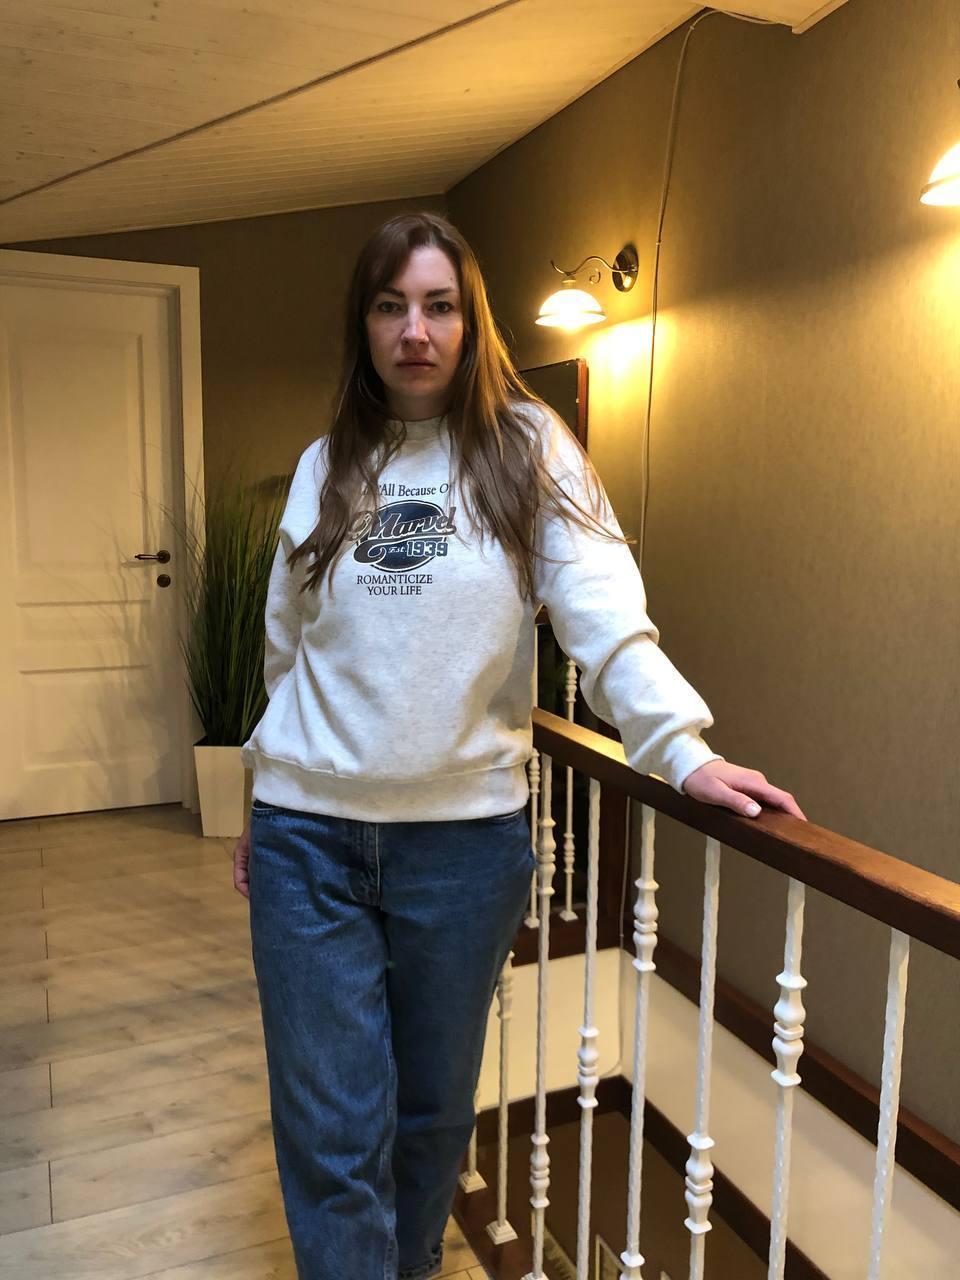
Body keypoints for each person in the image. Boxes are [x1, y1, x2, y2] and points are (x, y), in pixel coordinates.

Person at [232, 210, 805, 1280]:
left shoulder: (529, 450)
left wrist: (681, 748)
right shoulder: (325, 465)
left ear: (472, 320)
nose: (415, 330)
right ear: (363, 324)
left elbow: (604, 617)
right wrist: (264, 793)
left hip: (463, 851)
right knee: (329, 1131)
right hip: (309, 840)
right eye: (391, 305)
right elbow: (286, 650)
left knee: (433, 1113)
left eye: (438, 305)